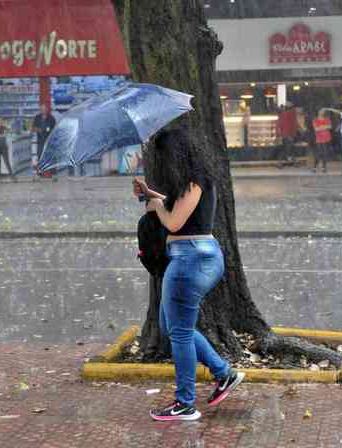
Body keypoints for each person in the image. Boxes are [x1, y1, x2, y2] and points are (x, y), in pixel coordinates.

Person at [132, 129, 245, 422]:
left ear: (174, 156)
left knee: (179, 332)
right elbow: (183, 207)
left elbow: (174, 221)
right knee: (172, 325)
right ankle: (224, 373)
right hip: (197, 257)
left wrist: (156, 207)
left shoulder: (194, 181)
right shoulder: (196, 179)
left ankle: (185, 403)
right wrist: (151, 194)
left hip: (189, 260)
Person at [0, 116, 17, 183]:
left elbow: (11, 131)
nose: (0, 121)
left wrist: (8, 130)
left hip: (3, 147)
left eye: (1, 120)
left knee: (7, 161)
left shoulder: (4, 128)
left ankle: (12, 175)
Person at [312, 109, 333, 173]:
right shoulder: (315, 120)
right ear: (318, 112)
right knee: (318, 153)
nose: (321, 112)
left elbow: (330, 127)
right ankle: (315, 167)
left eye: (323, 111)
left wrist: (321, 126)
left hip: (326, 138)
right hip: (319, 139)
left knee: (325, 153)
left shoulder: (327, 119)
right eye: (320, 110)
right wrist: (325, 127)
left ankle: (324, 167)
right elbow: (316, 129)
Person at [277, 103, 297, 167]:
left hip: (285, 134)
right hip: (289, 134)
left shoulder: (282, 114)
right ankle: (292, 161)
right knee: (289, 148)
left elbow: (279, 125)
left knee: (286, 148)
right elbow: (293, 124)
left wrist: (280, 134)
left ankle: (282, 162)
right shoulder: (291, 113)